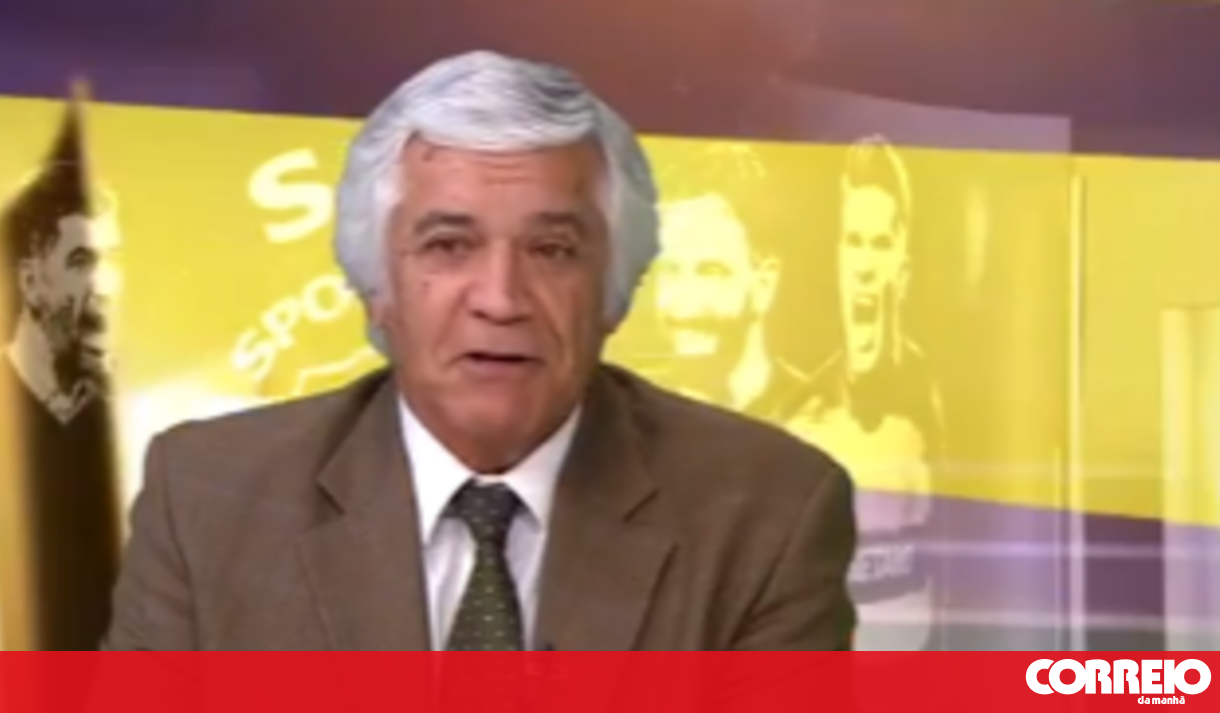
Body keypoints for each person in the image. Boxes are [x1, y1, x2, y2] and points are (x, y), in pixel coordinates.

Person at [103, 51, 856, 656]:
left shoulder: (766, 513)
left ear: (615, 292)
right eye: (448, 245)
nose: (500, 298)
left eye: (552, 249)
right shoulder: (208, 499)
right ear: (378, 286)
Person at [787, 134, 944, 652]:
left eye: (880, 243)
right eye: (854, 241)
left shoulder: (930, 392)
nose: (864, 264)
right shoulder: (799, 401)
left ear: (903, 261)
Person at [0, 147, 124, 651]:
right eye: (82, 262)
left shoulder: (130, 423)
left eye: (114, 259)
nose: (105, 286)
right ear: (31, 281)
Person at [645, 142, 810, 427]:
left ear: (765, 284)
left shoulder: (815, 417)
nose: (685, 307)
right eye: (670, 271)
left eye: (710, 272)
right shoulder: (624, 416)